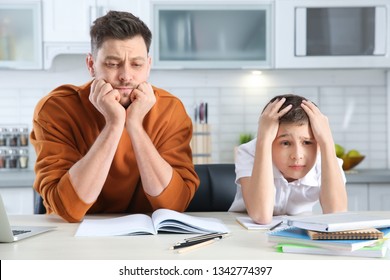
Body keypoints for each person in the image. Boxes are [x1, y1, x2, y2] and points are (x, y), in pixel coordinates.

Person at [30, 11, 199, 222]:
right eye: (112, 64)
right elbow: (68, 208)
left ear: (148, 65)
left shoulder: (170, 110)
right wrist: (114, 123)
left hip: (146, 239)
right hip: (71, 237)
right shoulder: (56, 109)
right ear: (91, 65)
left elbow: (173, 206)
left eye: (136, 64)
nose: (126, 76)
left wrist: (135, 125)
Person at [229, 94, 348, 224]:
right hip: (244, 230)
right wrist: (263, 140)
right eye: (285, 143)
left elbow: (337, 214)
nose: (297, 155)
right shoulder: (249, 152)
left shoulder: (325, 156)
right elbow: (261, 216)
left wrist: (327, 142)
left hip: (300, 230)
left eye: (307, 142)